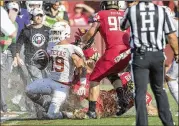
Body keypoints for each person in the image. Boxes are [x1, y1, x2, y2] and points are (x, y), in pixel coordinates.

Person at [120, 1, 178, 126]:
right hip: (157, 55)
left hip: (140, 55)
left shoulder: (131, 10)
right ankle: (168, 123)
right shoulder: (162, 10)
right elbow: (172, 35)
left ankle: (142, 124)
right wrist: (177, 53)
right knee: (160, 90)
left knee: (140, 92)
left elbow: (123, 26)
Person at [25, 21, 87, 119]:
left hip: (62, 86)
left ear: (66, 33)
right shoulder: (52, 46)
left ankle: (69, 114)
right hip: (50, 81)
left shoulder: (71, 49)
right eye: (53, 32)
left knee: (51, 115)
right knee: (29, 90)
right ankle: (46, 104)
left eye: (57, 32)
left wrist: (83, 84)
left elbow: (82, 68)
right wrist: (39, 60)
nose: (54, 35)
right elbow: (46, 61)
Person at [81, 1, 131, 118]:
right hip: (128, 52)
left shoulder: (101, 14)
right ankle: (122, 99)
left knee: (94, 78)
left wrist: (81, 41)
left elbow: (91, 32)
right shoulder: (125, 13)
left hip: (114, 51)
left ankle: (92, 111)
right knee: (112, 73)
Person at [0, 2, 19, 114]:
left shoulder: (15, 25)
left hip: (6, 54)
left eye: (16, 11)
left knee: (4, 80)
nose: (14, 13)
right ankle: (3, 107)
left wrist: (15, 57)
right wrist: (2, 41)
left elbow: (13, 43)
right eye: (12, 10)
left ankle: (3, 106)